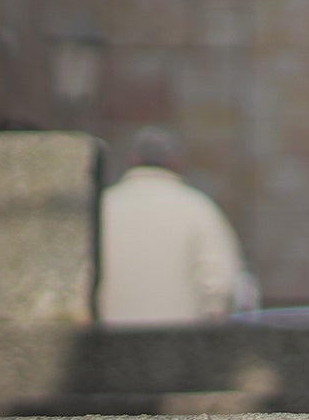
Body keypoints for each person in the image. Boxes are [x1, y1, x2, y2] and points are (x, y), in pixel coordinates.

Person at [96, 128, 258, 325]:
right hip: (178, 343)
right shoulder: (198, 208)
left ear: (132, 161)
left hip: (106, 344)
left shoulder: (103, 206)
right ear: (177, 162)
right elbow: (220, 285)